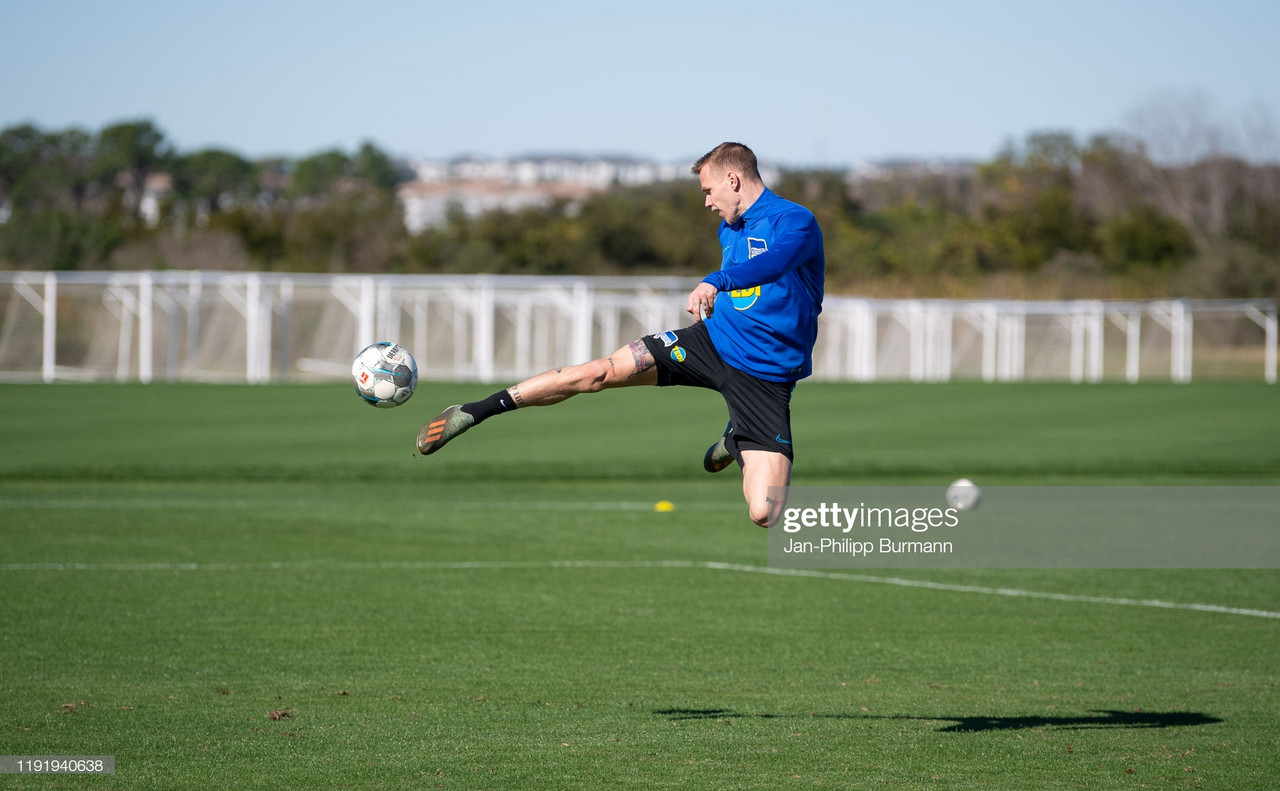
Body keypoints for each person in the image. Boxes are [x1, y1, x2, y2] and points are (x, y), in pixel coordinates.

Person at [416, 142, 825, 527]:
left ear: (733, 180)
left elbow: (774, 264)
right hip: (710, 343)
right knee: (598, 372)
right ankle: (473, 412)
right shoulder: (729, 227)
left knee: (764, 513)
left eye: (709, 190)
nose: (707, 202)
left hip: (765, 379)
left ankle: (736, 438)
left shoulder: (795, 221)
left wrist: (716, 282)